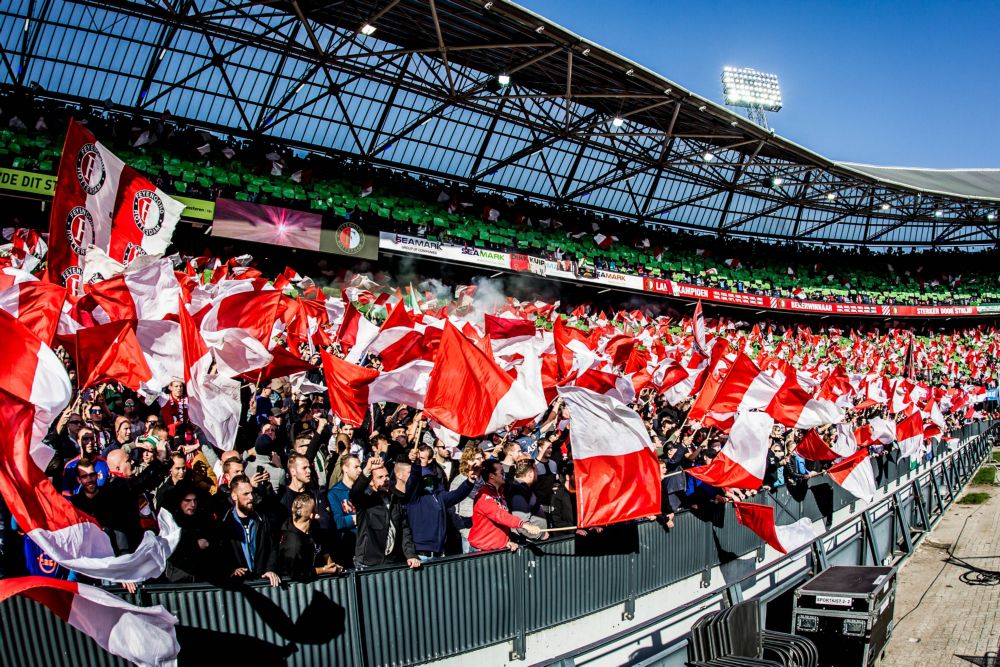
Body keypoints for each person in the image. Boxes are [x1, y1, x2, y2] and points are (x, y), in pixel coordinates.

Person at [348, 457, 420, 570]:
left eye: (387, 476)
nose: (386, 479)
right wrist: (367, 470)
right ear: (371, 481)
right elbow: (354, 493)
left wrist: (410, 555)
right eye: (380, 477)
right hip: (368, 562)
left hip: (392, 561)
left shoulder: (395, 499)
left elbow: (404, 529)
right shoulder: (365, 500)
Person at [405, 454, 476, 561]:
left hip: (439, 551)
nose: (428, 481)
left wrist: (469, 481)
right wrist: (415, 464)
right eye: (425, 478)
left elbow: (457, 494)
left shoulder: (438, 496)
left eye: (430, 478)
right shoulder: (414, 498)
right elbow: (413, 480)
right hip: (422, 554)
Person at [217, 475, 281, 587]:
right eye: (245, 494)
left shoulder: (262, 519)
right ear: (234, 496)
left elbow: (273, 547)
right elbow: (220, 553)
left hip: (263, 583)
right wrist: (231, 570)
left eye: (251, 492)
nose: (251, 497)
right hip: (239, 586)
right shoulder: (224, 523)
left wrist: (270, 569)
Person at [469, 459, 542, 552]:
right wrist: (525, 525)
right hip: (481, 549)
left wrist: (505, 542)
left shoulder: (500, 492)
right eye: (502, 473)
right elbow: (500, 516)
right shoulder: (483, 495)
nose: (504, 476)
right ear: (492, 476)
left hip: (494, 547)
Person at [276, 493, 342, 582]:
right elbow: (298, 573)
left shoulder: (314, 526)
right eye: (316, 510)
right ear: (313, 515)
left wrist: (331, 566)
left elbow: (323, 548)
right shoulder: (293, 543)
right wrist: (323, 570)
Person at [279, 452, 333, 550]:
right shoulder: (283, 496)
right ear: (293, 471)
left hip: (316, 547)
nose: (309, 471)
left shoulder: (316, 495)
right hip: (294, 548)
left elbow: (324, 521)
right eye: (304, 468)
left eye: (309, 467)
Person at [163, 482, 215, 583]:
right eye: (187, 500)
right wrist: (195, 545)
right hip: (178, 576)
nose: (193, 504)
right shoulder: (170, 521)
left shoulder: (202, 518)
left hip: (202, 575)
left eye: (195, 500)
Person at [449, 445, 484, 553]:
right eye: (478, 459)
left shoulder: (482, 478)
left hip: (482, 528)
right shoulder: (459, 480)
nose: (482, 460)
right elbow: (452, 508)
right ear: (469, 461)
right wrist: (463, 530)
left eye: (482, 458)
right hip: (468, 530)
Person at [328, 454, 361, 566]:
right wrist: (359, 518)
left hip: (365, 544)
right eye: (356, 467)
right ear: (345, 468)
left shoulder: (365, 490)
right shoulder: (335, 493)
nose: (360, 470)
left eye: (360, 466)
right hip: (347, 547)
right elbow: (338, 522)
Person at [506, 460, 547, 538]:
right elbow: (521, 523)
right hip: (527, 542)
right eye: (536, 471)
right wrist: (540, 535)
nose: (537, 474)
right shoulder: (519, 491)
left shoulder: (523, 488)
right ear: (530, 474)